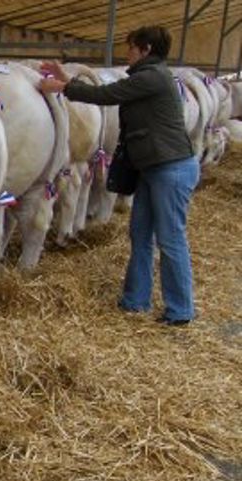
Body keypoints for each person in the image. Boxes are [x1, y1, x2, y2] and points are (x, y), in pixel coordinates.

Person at [40, 25, 199, 326]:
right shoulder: (152, 77)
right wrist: (67, 80)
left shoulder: (152, 77)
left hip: (171, 168)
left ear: (146, 49)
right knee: (140, 233)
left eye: (131, 47)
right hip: (155, 168)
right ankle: (135, 300)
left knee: (170, 238)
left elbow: (108, 94)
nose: (127, 53)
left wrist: (63, 88)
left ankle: (180, 310)